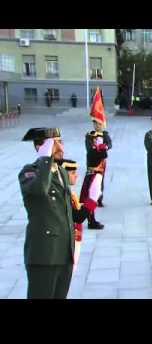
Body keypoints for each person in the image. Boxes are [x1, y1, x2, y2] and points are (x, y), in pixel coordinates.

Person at [19, 128, 74, 299]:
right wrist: (44, 159)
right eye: (54, 143)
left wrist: (90, 203)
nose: (60, 147)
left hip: (64, 253)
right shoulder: (30, 172)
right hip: (44, 254)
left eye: (60, 141)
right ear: (40, 147)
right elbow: (39, 190)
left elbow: (64, 211)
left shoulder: (62, 172)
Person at [58, 159, 101, 273]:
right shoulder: (62, 195)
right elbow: (78, 217)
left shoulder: (66, 191)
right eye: (72, 173)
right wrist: (92, 199)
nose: (76, 176)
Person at [81, 132, 107, 229]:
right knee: (91, 199)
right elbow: (103, 155)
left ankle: (92, 220)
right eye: (96, 139)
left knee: (93, 199)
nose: (98, 141)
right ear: (92, 141)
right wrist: (102, 147)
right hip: (93, 176)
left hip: (96, 175)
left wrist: (101, 147)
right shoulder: (92, 150)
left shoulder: (95, 149)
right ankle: (91, 221)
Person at [85, 120, 111, 207]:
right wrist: (97, 148)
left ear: (103, 124)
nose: (97, 126)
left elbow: (109, 144)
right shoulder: (89, 135)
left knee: (100, 180)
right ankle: (91, 198)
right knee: (91, 179)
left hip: (101, 162)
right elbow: (89, 147)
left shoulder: (105, 135)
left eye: (99, 124)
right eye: (95, 124)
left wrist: (105, 146)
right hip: (92, 161)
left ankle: (99, 199)